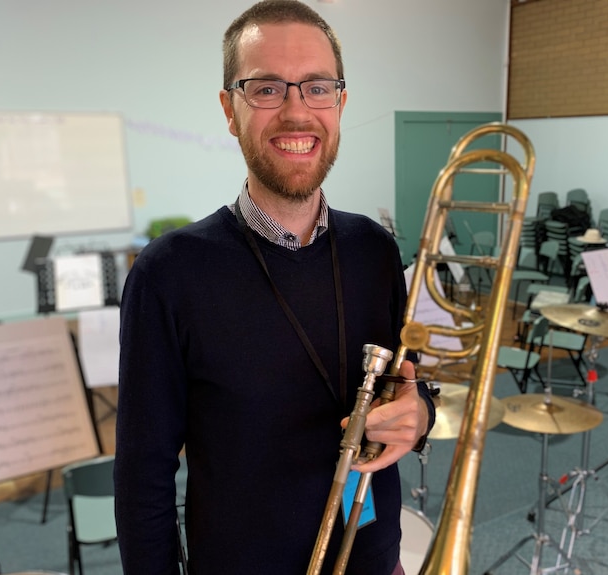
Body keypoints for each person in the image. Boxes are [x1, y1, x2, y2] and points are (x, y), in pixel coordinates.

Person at [113, 1, 436, 574]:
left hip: (375, 558)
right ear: (230, 110)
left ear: (340, 103)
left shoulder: (375, 250)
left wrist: (421, 416)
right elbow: (144, 473)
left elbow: (409, 387)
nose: (296, 112)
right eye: (265, 88)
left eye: (317, 87)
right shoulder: (168, 273)